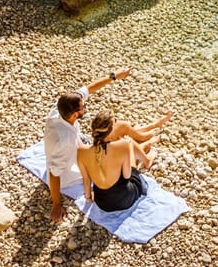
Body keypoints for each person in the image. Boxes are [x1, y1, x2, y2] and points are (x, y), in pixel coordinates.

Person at [44, 67, 172, 222]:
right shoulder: (65, 141)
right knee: (126, 147)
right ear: (75, 114)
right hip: (70, 173)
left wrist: (114, 76)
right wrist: (56, 203)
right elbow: (54, 172)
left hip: (97, 186)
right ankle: (145, 151)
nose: (86, 106)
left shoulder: (60, 109)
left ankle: (147, 133)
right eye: (84, 107)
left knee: (122, 131)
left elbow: (89, 89)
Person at [77, 109, 150, 212]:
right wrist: (126, 149)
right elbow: (127, 176)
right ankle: (147, 157)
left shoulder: (81, 151)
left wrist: (88, 198)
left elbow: (86, 180)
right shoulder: (122, 145)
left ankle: (146, 149)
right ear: (111, 129)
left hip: (102, 203)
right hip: (124, 200)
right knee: (129, 145)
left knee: (122, 154)